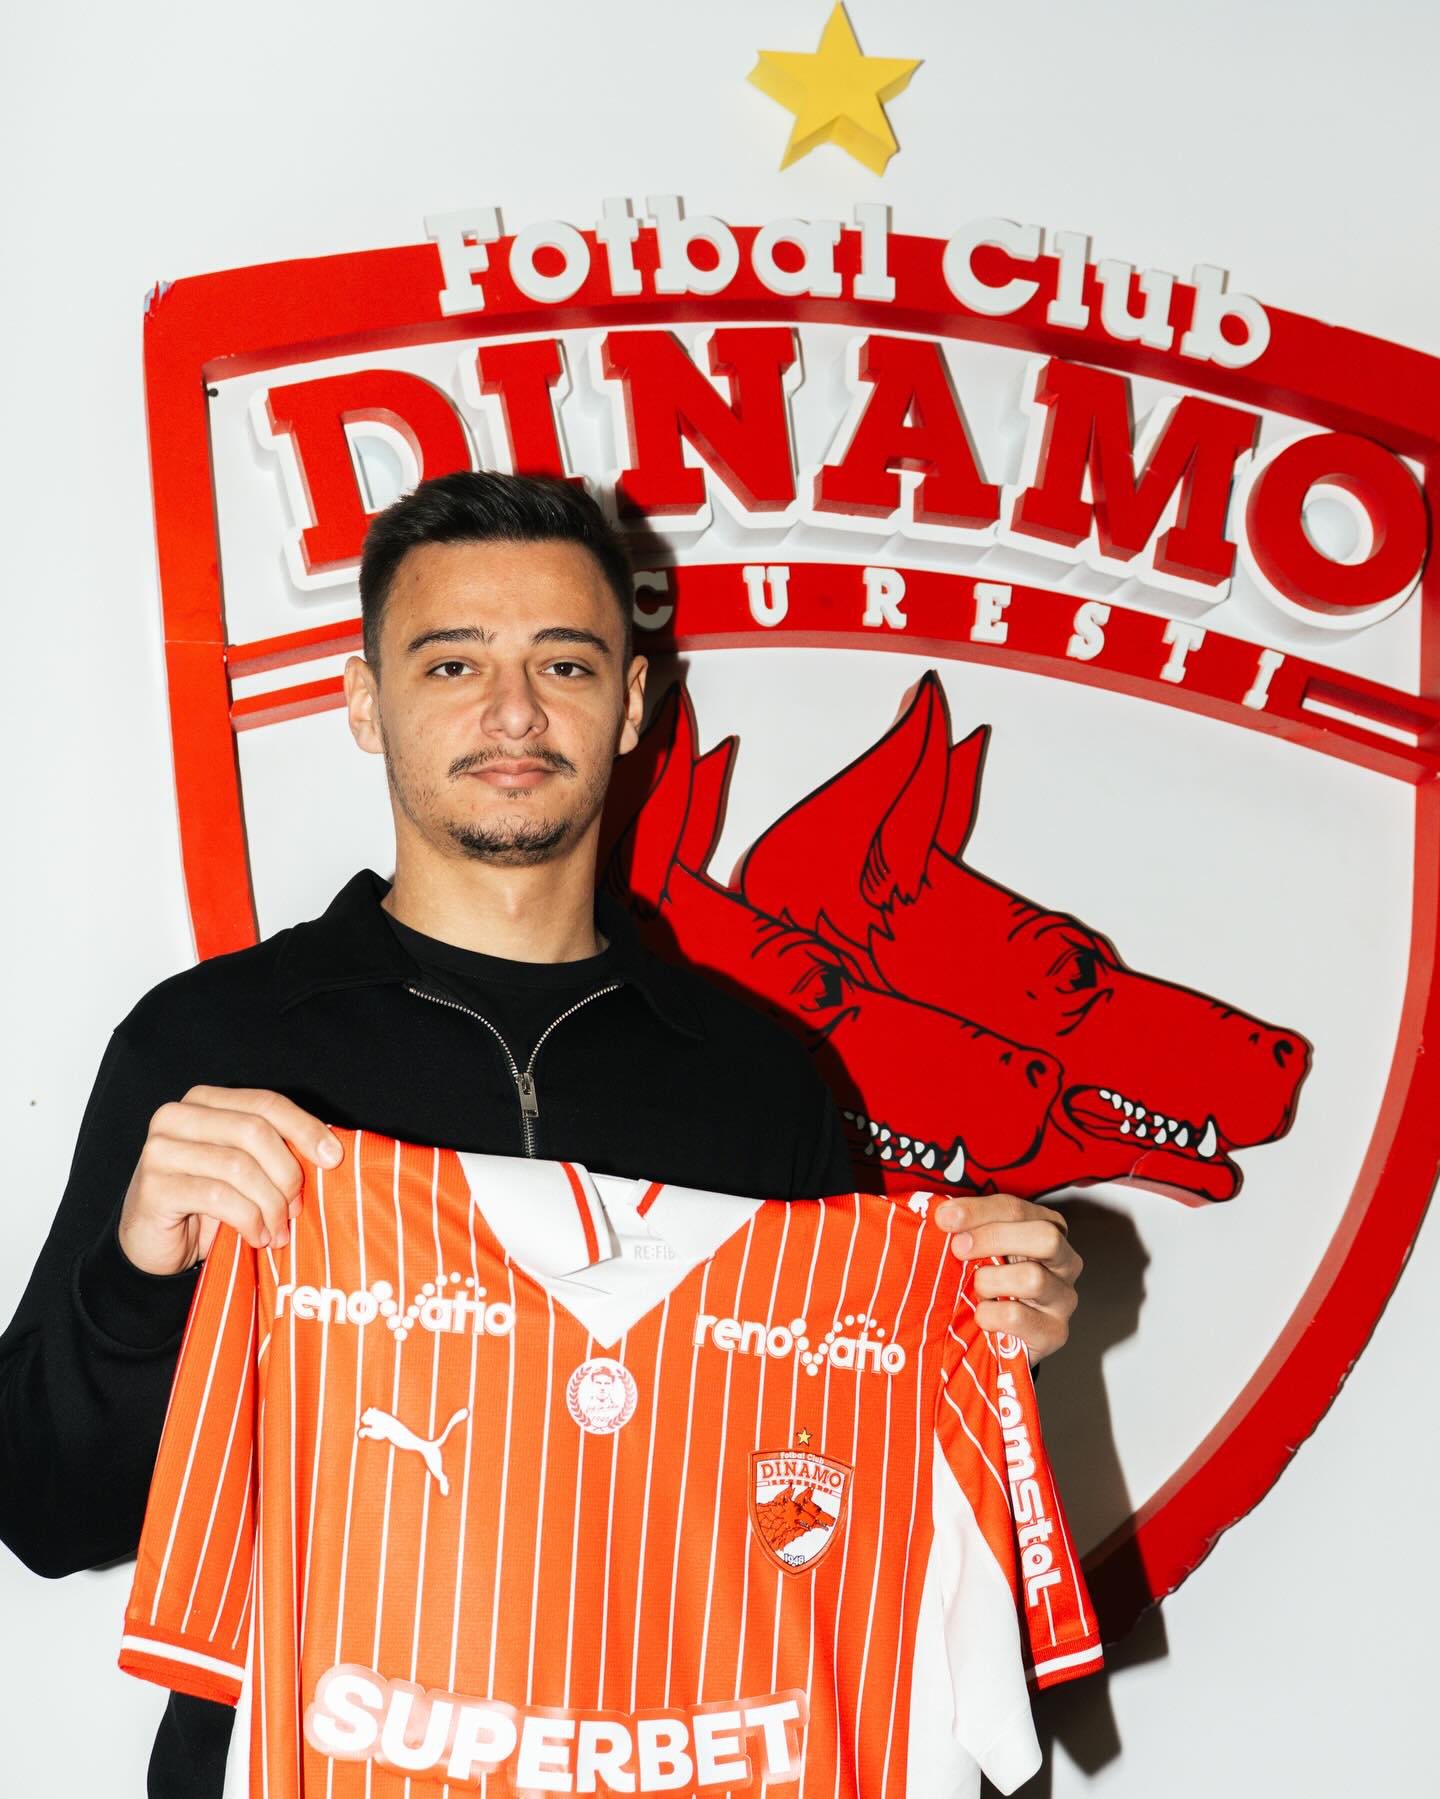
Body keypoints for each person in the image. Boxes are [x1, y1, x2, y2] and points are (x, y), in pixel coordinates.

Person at [0, 471, 1082, 1797]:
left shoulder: (759, 1082)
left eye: (564, 663)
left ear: (631, 703)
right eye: (452, 662)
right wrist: (135, 1283)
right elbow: (47, 1515)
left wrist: (984, 1351)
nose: (512, 712)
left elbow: (842, 1516)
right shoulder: (212, 1048)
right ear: (364, 700)